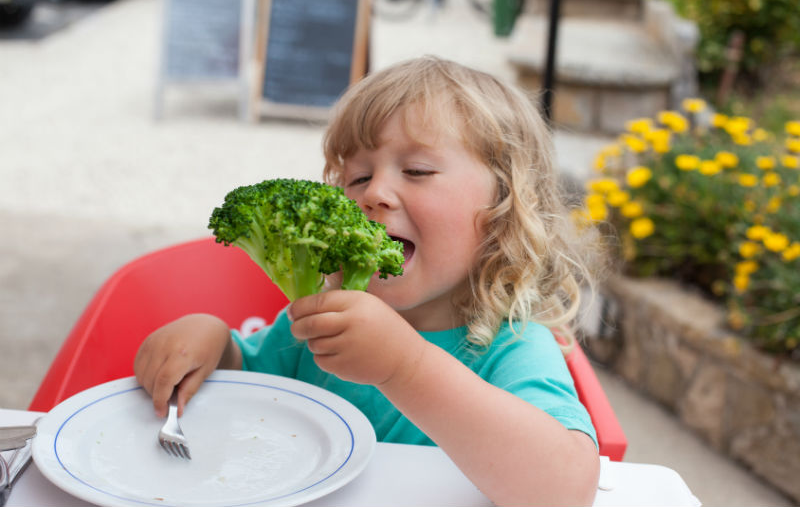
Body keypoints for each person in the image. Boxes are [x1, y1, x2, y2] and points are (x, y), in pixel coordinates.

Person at [135, 56, 602, 506]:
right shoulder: (323, 322)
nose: (374, 193)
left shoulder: (513, 346)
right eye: (357, 177)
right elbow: (250, 393)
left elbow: (563, 491)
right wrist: (215, 346)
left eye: (417, 171)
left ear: (504, 210)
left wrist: (404, 366)